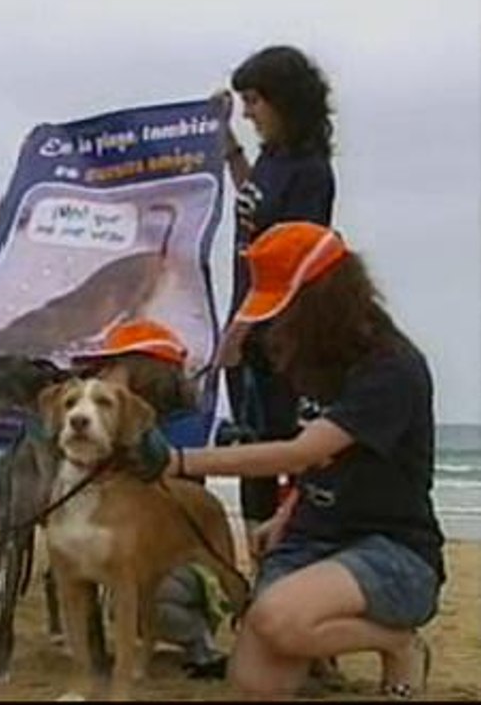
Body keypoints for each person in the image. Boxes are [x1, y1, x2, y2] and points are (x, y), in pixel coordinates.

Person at [137, 222, 444, 699]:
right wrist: (287, 509)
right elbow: (325, 458)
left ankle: (398, 641)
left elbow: (306, 450)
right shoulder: (318, 357)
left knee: (274, 618)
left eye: (286, 307)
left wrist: (177, 461)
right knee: (255, 684)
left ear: (323, 299)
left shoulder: (391, 368)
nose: (277, 323)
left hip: (391, 549)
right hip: (312, 538)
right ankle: (320, 630)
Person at [214, 45, 336, 544]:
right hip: (246, 320)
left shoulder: (311, 172)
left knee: (278, 447)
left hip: (281, 330)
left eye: (253, 102)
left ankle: (286, 555)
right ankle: (259, 558)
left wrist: (243, 327)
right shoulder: (272, 157)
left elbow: (292, 259)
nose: (248, 113)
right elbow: (254, 204)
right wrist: (226, 141)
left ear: (283, 100)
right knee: (251, 451)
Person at [72, 319, 231, 679]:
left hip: (177, 559)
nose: (102, 374)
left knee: (155, 594)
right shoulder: (116, 428)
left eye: (113, 366)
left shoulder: (179, 430)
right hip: (129, 544)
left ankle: (198, 644)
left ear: (143, 374)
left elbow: (153, 468)